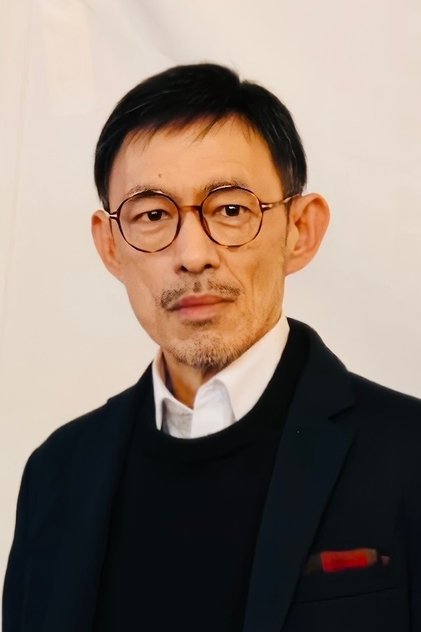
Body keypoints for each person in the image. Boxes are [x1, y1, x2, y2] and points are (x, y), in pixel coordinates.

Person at [2, 63, 421, 632]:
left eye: (230, 209)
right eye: (153, 215)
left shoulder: (407, 455)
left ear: (300, 230)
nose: (193, 255)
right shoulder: (57, 474)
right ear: (110, 246)